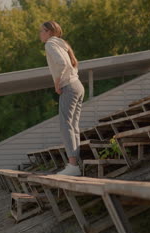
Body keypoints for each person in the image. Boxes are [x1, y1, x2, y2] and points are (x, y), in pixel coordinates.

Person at [40, 21, 85, 176]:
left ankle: (72, 166)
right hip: (77, 85)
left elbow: (62, 64)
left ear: (48, 32)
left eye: (41, 31)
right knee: (73, 126)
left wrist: (57, 83)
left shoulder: (50, 44)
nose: (40, 34)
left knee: (66, 125)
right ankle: (74, 165)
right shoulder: (61, 43)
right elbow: (72, 64)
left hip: (69, 87)